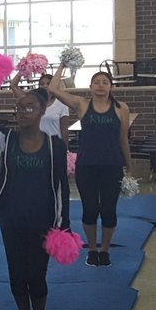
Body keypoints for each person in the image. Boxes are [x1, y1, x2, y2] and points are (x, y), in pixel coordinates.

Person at [0, 86, 71, 310]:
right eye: (19, 108)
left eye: (30, 107)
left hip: (42, 219)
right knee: (16, 273)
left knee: (37, 274)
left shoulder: (54, 145)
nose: (23, 112)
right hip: (11, 218)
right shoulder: (6, 140)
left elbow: (61, 188)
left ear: (42, 110)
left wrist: (63, 225)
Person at [47, 64, 133, 267]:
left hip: (112, 166)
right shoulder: (82, 104)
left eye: (105, 82)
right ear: (90, 86)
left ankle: (105, 250)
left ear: (111, 87)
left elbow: (123, 140)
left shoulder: (121, 108)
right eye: (97, 82)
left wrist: (129, 166)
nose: (101, 85)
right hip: (86, 167)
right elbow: (53, 89)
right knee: (90, 209)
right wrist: (63, 65)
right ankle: (92, 249)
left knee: (109, 210)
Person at [10, 71, 70, 141]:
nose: (45, 86)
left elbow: (64, 130)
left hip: (54, 143)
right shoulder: (31, 101)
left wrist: (65, 149)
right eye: (42, 84)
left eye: (48, 84)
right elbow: (13, 85)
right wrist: (23, 68)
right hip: (34, 143)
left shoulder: (61, 104)